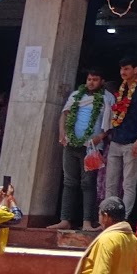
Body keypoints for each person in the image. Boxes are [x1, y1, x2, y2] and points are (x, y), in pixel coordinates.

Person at [51, 68, 112, 231]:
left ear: (102, 82)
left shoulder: (107, 98)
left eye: (95, 79)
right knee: (69, 182)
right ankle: (65, 219)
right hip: (71, 145)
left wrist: (99, 138)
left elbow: (111, 123)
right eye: (89, 79)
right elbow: (64, 115)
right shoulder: (76, 95)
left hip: (91, 148)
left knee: (88, 183)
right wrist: (62, 133)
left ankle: (87, 222)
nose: (91, 82)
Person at [101, 57, 137, 218]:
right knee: (110, 183)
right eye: (121, 69)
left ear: (136, 70)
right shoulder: (122, 88)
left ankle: (122, 220)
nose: (123, 72)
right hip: (116, 140)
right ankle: (107, 218)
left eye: (126, 69)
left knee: (128, 184)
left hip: (133, 141)